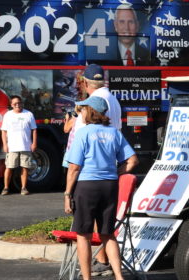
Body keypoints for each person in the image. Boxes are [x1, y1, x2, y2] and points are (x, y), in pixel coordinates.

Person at [64, 95, 139, 280]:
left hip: (87, 186)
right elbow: (133, 160)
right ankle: (120, 277)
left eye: (82, 109)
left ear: (90, 111)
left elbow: (74, 168)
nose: (80, 112)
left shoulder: (83, 133)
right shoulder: (114, 132)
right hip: (109, 186)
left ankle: (87, 278)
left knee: (83, 235)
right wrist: (115, 171)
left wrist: (67, 194)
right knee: (107, 233)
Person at [1, 95, 37, 195]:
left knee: (25, 167)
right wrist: (5, 144)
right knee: (9, 167)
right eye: (15, 103)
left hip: (26, 146)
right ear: (11, 105)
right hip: (12, 147)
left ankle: (24, 188)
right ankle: (6, 188)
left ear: (22, 103)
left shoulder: (28, 114)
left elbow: (34, 130)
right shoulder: (8, 115)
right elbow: (3, 131)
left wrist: (34, 143)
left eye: (19, 103)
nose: (18, 105)